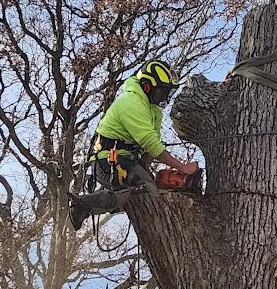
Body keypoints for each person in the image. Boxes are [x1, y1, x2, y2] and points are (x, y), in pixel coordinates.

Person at [68, 60, 199, 231]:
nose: (164, 97)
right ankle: (83, 204)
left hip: (126, 160)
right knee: (146, 195)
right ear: (147, 86)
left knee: (146, 194)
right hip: (108, 161)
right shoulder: (131, 103)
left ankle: (90, 204)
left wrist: (145, 171)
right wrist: (182, 167)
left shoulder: (154, 111)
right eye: (162, 92)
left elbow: (152, 145)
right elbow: (150, 143)